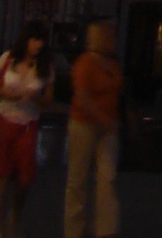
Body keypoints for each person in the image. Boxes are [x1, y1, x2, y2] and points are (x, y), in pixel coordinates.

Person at [63, 22, 124, 238]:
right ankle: (74, 231)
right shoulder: (85, 63)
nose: (115, 41)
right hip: (84, 124)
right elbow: (82, 96)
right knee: (77, 179)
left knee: (107, 177)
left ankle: (105, 230)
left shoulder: (113, 64)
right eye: (111, 37)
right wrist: (103, 119)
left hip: (107, 126)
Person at [0, 27, 46, 238]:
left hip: (29, 122)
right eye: (35, 39)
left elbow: (48, 99)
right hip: (6, 119)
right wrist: (3, 93)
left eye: (42, 41)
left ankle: (15, 216)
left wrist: (36, 97)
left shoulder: (44, 66)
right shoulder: (7, 59)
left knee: (24, 178)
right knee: (2, 176)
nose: (38, 45)